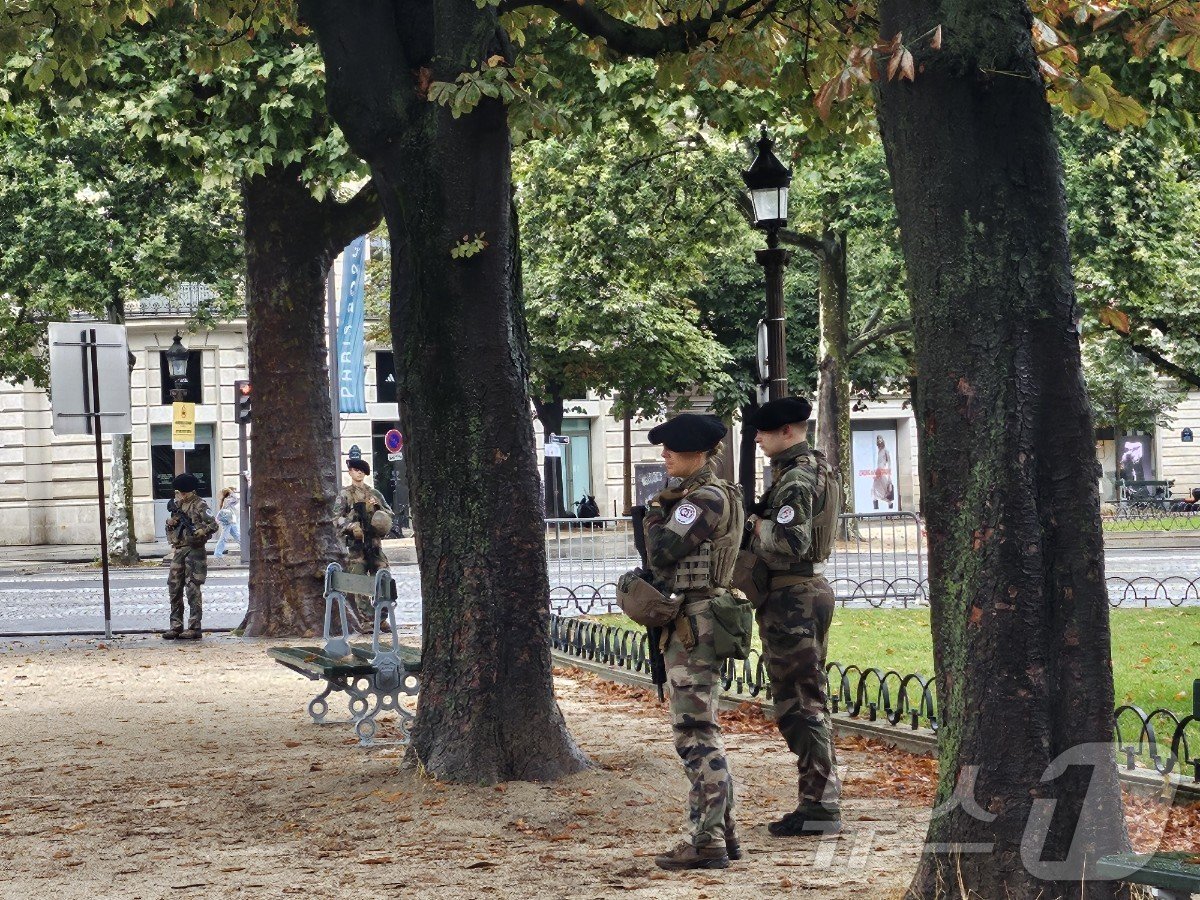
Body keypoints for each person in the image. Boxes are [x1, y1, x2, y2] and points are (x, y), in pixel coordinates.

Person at [641, 413, 745, 871]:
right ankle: (724, 833)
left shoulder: (701, 499)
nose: (663, 456)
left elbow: (663, 549)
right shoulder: (710, 494)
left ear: (694, 452)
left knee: (696, 734)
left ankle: (706, 842)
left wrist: (653, 513)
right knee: (704, 729)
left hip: (695, 625)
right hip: (699, 620)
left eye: (669, 448)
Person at [745, 396, 843, 836]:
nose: (758, 439)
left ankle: (820, 807)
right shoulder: (816, 466)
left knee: (798, 704)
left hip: (793, 597)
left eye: (764, 432)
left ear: (787, 431)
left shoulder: (797, 478)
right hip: (803, 593)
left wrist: (754, 525)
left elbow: (790, 541)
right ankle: (817, 800)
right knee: (808, 697)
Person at [333, 457, 394, 623]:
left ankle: (381, 618)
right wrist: (351, 526)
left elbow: (389, 514)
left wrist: (377, 508)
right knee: (360, 583)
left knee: (383, 578)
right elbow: (336, 519)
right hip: (356, 546)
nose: (358, 473)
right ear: (350, 472)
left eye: (361, 470)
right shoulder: (344, 495)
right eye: (355, 470)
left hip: (374, 544)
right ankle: (367, 620)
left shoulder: (375, 494)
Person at [161, 474, 218, 641]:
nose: (183, 495)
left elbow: (213, 524)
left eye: (185, 493)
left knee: (192, 588)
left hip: (195, 551)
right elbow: (172, 525)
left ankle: (194, 627)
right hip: (179, 550)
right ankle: (175, 626)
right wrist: (170, 523)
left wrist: (203, 531)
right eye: (180, 492)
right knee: (174, 587)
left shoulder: (200, 504)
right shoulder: (177, 505)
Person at [213, 486, 241, 556]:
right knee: (224, 537)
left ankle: (246, 549)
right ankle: (218, 553)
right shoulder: (227, 500)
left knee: (237, 535)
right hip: (228, 521)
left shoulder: (225, 500)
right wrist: (231, 492)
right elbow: (236, 499)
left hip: (230, 521)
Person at [872, 434, 894, 510]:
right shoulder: (879, 451)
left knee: (884, 490)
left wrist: (889, 475)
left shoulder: (886, 450)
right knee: (874, 488)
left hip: (883, 471)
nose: (879, 441)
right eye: (878, 440)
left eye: (880, 439)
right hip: (878, 471)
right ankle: (876, 508)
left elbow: (889, 462)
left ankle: (890, 504)